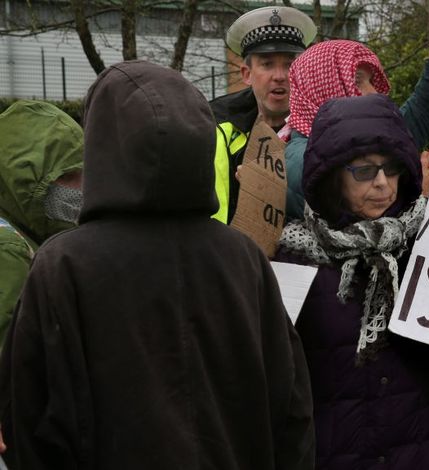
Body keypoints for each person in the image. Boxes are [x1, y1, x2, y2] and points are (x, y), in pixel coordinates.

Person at [0, 61, 314, 470]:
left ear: (101, 145)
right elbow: (292, 409)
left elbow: (29, 418)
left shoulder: (64, 264)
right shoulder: (242, 256)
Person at [279, 93, 429, 469]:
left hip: (427, 455)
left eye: (391, 169)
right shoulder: (291, 258)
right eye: (364, 171)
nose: (382, 183)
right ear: (332, 176)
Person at [283, 1, 429, 221]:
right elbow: (365, 232)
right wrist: (421, 198)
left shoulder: (355, 142)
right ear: (321, 87)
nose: (373, 93)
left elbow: (421, 115)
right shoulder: (302, 162)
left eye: (372, 81)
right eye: (358, 81)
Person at [210, 6, 317, 223]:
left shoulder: (322, 128)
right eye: (267, 64)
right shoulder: (215, 125)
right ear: (247, 74)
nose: (279, 76)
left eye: (289, 64)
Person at [0, 100, 83, 349]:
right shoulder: (9, 251)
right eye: (66, 176)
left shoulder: (23, 230)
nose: (80, 189)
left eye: (83, 174)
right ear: (20, 181)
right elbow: (15, 361)